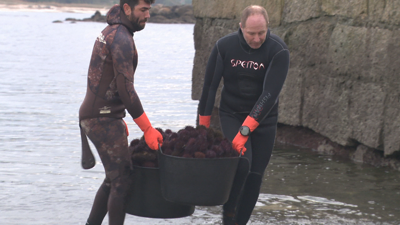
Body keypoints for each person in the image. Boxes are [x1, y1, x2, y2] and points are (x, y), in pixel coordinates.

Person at [198, 5, 290, 225]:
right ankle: (228, 216)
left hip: (264, 120)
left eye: (262, 33)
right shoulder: (224, 46)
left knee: (255, 176)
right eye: (251, 33)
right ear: (241, 27)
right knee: (243, 163)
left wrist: (247, 129)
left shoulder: (278, 51)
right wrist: (202, 128)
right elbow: (210, 88)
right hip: (232, 114)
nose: (257, 39)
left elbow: (270, 94)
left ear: (268, 28)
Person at [78, 0, 163, 224]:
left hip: (100, 114)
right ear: (127, 8)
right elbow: (126, 89)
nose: (147, 16)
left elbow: (108, 82)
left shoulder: (113, 31)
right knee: (122, 180)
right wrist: (147, 128)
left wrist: (116, 115)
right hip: (100, 116)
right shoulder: (121, 37)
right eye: (143, 10)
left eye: (149, 10)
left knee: (113, 178)